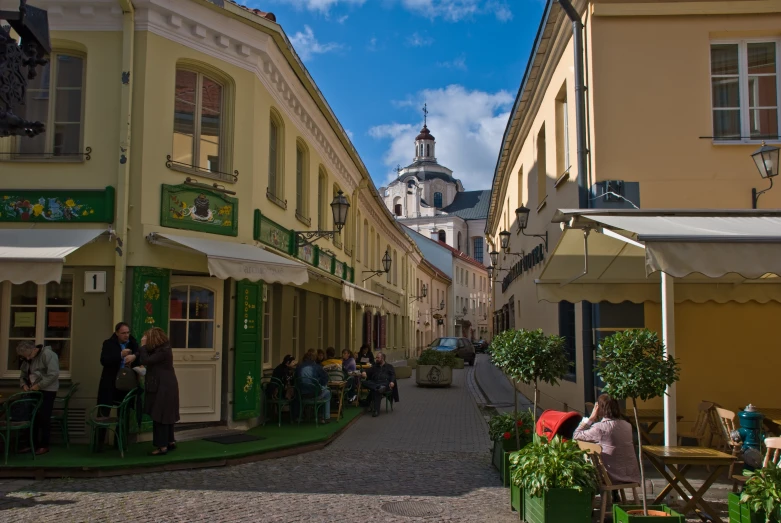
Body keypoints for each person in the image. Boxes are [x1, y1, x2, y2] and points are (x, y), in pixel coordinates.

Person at [573, 393, 641, 489]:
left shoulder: (599, 428)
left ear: (599, 408)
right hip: (630, 475)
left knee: (588, 462)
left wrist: (591, 418)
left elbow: (576, 435)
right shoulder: (627, 426)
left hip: (610, 477)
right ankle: (614, 494)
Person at [97, 322, 140, 446]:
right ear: (117, 333)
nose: (126, 335)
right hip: (110, 382)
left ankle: (120, 442)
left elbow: (140, 357)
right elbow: (104, 360)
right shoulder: (109, 344)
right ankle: (99, 443)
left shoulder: (133, 343)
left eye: (128, 332)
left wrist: (134, 358)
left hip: (126, 383)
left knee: (123, 413)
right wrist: (120, 355)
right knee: (104, 412)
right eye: (123, 333)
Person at [140, 327, 180, 456]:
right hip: (168, 385)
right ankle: (170, 441)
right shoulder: (164, 348)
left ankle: (161, 446)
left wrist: (143, 346)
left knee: (160, 415)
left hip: (162, 386)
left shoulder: (162, 351)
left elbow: (146, 360)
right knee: (167, 414)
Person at [17, 341, 60, 455]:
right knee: (32, 417)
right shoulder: (27, 358)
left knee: (44, 417)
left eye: (28, 355)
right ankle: (32, 444)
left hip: (47, 390)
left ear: (34, 349)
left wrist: (39, 385)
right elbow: (23, 374)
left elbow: (53, 374)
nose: (27, 358)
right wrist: (23, 384)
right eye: (24, 356)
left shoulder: (48, 354)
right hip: (33, 389)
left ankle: (44, 445)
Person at [294, 350, 331, 424]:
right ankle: (325, 417)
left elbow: (295, 380)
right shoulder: (317, 367)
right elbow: (325, 379)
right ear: (314, 358)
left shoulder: (299, 368)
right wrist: (319, 382)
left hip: (302, 395)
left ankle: (299, 416)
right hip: (315, 395)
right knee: (327, 392)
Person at [360, 352, 398, 418]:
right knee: (365, 383)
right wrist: (363, 371)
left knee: (376, 391)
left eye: (378, 358)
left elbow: (393, 375)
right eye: (376, 357)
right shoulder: (374, 367)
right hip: (375, 383)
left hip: (385, 384)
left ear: (382, 358)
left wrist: (392, 382)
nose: (376, 359)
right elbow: (366, 370)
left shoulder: (389, 366)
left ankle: (376, 411)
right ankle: (378, 388)